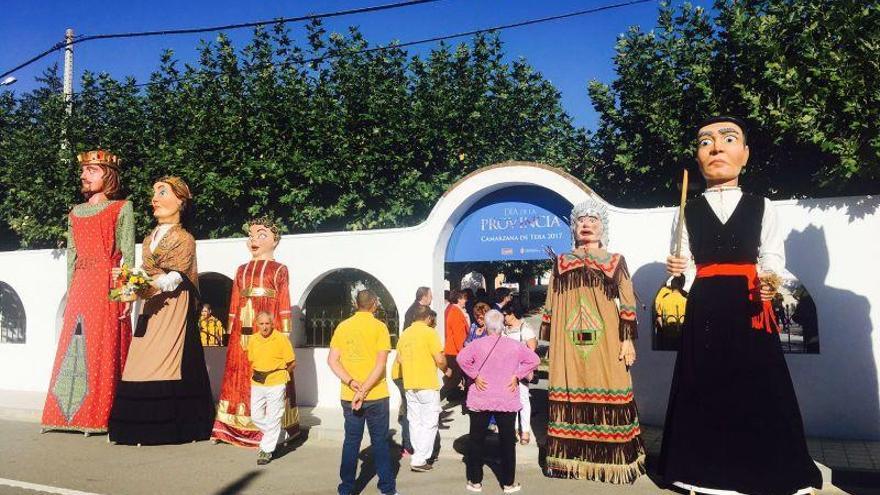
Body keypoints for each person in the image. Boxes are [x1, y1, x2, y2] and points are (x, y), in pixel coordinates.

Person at [659, 116, 822, 494]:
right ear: (698, 158)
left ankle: (768, 470)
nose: (716, 147)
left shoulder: (763, 206)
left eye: (728, 139)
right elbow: (681, 269)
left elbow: (771, 255)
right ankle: (701, 472)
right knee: (703, 383)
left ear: (744, 154)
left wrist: (770, 282)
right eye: (705, 142)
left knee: (759, 384)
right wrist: (676, 271)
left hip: (749, 303)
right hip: (705, 305)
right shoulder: (686, 209)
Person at [541, 198, 646, 483]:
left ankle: (615, 461)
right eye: (581, 221)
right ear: (573, 228)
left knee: (612, 383)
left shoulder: (614, 261)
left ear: (603, 228)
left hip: (607, 339)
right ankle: (569, 461)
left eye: (593, 220)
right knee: (569, 388)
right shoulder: (561, 263)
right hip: (567, 342)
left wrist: (627, 340)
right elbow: (550, 303)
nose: (586, 224)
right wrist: (548, 343)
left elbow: (627, 302)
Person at [108, 176, 213, 445]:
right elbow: (148, 272)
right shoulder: (149, 237)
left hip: (173, 302)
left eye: (162, 192)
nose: (154, 199)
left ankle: (167, 426)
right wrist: (132, 281)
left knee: (166, 357)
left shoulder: (184, 238)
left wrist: (147, 284)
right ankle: (133, 425)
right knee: (140, 357)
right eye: (154, 193)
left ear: (181, 201)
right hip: (151, 302)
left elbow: (176, 277)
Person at [41, 150, 135, 435]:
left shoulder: (122, 208)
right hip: (82, 284)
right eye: (84, 171)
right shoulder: (75, 213)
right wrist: (71, 292)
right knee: (74, 343)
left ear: (108, 175)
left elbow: (128, 253)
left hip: (107, 282)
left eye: (92, 170)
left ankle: (99, 414)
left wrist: (126, 291)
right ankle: (64, 414)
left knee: (102, 344)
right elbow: (71, 256)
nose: (84, 176)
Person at [212, 216, 300, 447]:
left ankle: (274, 430)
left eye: (262, 235)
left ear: (275, 241)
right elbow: (233, 300)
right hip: (243, 327)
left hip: (269, 326)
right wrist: (231, 327)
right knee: (238, 372)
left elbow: (283, 299)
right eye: (251, 235)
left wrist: (286, 330)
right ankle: (230, 426)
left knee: (271, 371)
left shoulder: (280, 269)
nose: (254, 240)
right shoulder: (241, 270)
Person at [457, 310, 539, 494]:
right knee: (507, 441)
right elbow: (534, 359)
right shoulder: (514, 346)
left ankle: (475, 481)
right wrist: (517, 375)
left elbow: (461, 359)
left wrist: (474, 375)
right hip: (506, 397)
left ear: (486, 325)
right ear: (502, 325)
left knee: (476, 440)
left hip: (481, 396)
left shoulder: (477, 345)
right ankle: (508, 483)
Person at [328, 290, 398, 495]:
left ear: (354, 303)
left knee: (351, 441)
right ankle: (387, 489)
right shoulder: (380, 327)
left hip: (350, 394)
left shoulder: (343, 326)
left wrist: (352, 383)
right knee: (380, 442)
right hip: (375, 394)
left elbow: (332, 360)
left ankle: (346, 488)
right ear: (374, 304)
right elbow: (380, 364)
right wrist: (365, 389)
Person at [393, 306, 447, 472]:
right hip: (427, 383)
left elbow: (400, 359)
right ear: (428, 318)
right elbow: (439, 359)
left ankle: (417, 455)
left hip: (410, 383)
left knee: (415, 421)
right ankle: (420, 459)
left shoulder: (405, 334)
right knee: (430, 422)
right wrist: (447, 369)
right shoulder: (430, 333)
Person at [247, 311, 296, 466]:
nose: (264, 327)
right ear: (257, 324)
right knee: (255, 415)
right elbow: (252, 360)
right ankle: (278, 433)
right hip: (258, 381)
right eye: (261, 324)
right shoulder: (253, 339)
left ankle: (266, 450)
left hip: (276, 381)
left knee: (274, 416)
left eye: (267, 323)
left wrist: (281, 377)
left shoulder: (281, 338)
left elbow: (292, 363)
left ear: (272, 324)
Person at [397, 286, 432, 456]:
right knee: (411, 411)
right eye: (430, 296)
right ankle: (409, 445)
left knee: (410, 410)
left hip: (408, 370)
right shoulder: (417, 314)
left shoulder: (412, 312)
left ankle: (410, 444)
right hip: (411, 371)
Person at [500, 302, 538, 445]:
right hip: (506, 370)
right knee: (510, 400)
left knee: (523, 399)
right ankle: (513, 429)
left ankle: (525, 431)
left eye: (505, 315)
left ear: (513, 313)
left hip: (521, 371)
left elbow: (532, 352)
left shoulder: (525, 329)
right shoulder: (504, 330)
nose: (504, 318)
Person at [442, 289, 469, 403]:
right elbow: (459, 335)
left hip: (452, 350)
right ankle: (437, 400)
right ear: (459, 299)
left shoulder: (452, 309)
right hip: (455, 351)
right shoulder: (456, 312)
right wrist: (463, 353)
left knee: (453, 378)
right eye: (464, 298)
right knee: (454, 379)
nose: (465, 301)